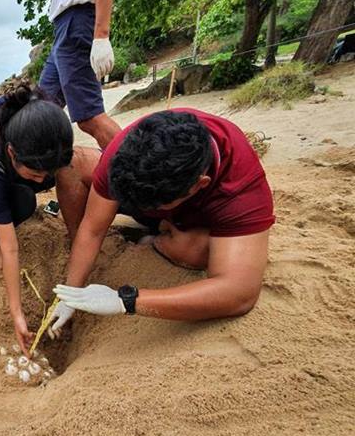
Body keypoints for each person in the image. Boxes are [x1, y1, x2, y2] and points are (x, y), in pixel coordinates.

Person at [47, 108, 276, 334]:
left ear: (200, 185)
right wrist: (71, 291)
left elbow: (239, 293)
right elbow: (93, 229)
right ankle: (157, 224)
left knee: (196, 251)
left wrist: (126, 301)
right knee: (73, 164)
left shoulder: (241, 183)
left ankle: (154, 240)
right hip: (156, 197)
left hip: (194, 222)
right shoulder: (126, 154)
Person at [0, 85, 100, 354]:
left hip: (12, 169)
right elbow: (11, 248)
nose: (44, 182)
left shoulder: (35, 115)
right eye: (36, 174)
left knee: (58, 171)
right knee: (24, 201)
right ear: (12, 153)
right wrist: (17, 314)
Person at [39, 0, 121, 149]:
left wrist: (101, 34)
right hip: (62, 28)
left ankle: (136, 167)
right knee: (41, 111)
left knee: (90, 117)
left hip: (77, 21)